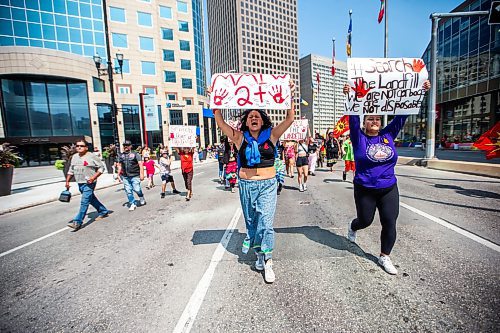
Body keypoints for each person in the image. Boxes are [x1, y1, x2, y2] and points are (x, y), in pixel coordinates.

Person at [209, 79, 296, 283]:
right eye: (250, 116)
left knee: (266, 223)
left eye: (257, 115)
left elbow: (290, 118)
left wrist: (290, 93)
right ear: (246, 122)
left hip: (267, 185)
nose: (254, 118)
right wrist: (216, 99)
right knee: (252, 223)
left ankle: (268, 260)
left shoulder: (271, 135)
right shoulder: (240, 138)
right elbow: (220, 123)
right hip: (247, 186)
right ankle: (258, 255)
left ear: (262, 120)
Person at [343, 80, 430, 275]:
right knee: (365, 221)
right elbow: (353, 116)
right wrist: (350, 96)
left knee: (390, 221)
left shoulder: (389, 134)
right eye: (370, 119)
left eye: (377, 119)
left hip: (389, 187)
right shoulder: (358, 137)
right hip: (365, 188)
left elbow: (402, 113)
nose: (374, 122)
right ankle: (352, 226)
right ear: (364, 122)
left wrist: (419, 91)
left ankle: (384, 256)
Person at [65, 139, 109, 230]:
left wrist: (93, 177)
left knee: (84, 202)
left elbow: (101, 168)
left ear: (86, 147)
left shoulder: (92, 156)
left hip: (90, 183)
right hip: (79, 183)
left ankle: (77, 222)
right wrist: (67, 181)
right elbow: (71, 170)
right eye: (77, 146)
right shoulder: (74, 157)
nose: (79, 147)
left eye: (81, 146)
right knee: (91, 199)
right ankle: (103, 211)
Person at [117, 140, 146, 211]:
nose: (125, 147)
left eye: (127, 145)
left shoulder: (135, 154)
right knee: (128, 191)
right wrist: (118, 174)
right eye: (124, 145)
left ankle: (141, 197)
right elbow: (120, 165)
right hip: (125, 176)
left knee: (137, 189)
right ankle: (132, 203)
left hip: (135, 175)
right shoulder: (121, 155)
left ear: (130, 146)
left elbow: (140, 164)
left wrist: (142, 174)